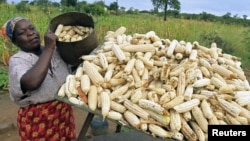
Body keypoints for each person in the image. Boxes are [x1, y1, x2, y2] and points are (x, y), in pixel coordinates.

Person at [1, 17, 77, 141]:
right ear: (15, 42)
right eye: (22, 33)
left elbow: (73, 64)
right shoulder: (18, 60)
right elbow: (31, 82)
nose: (30, 33)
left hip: (63, 113)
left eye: (32, 28)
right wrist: (48, 48)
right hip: (38, 118)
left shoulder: (56, 51)